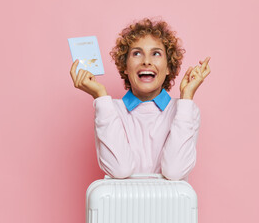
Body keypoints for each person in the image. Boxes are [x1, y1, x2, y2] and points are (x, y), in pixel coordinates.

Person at [69, 18, 210, 181]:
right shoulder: (109, 109)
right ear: (125, 67)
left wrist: (187, 99)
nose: (146, 61)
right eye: (137, 53)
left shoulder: (185, 110)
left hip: (171, 207)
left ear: (168, 68)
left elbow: (175, 171)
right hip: (121, 207)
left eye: (156, 53)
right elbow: (119, 170)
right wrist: (100, 97)